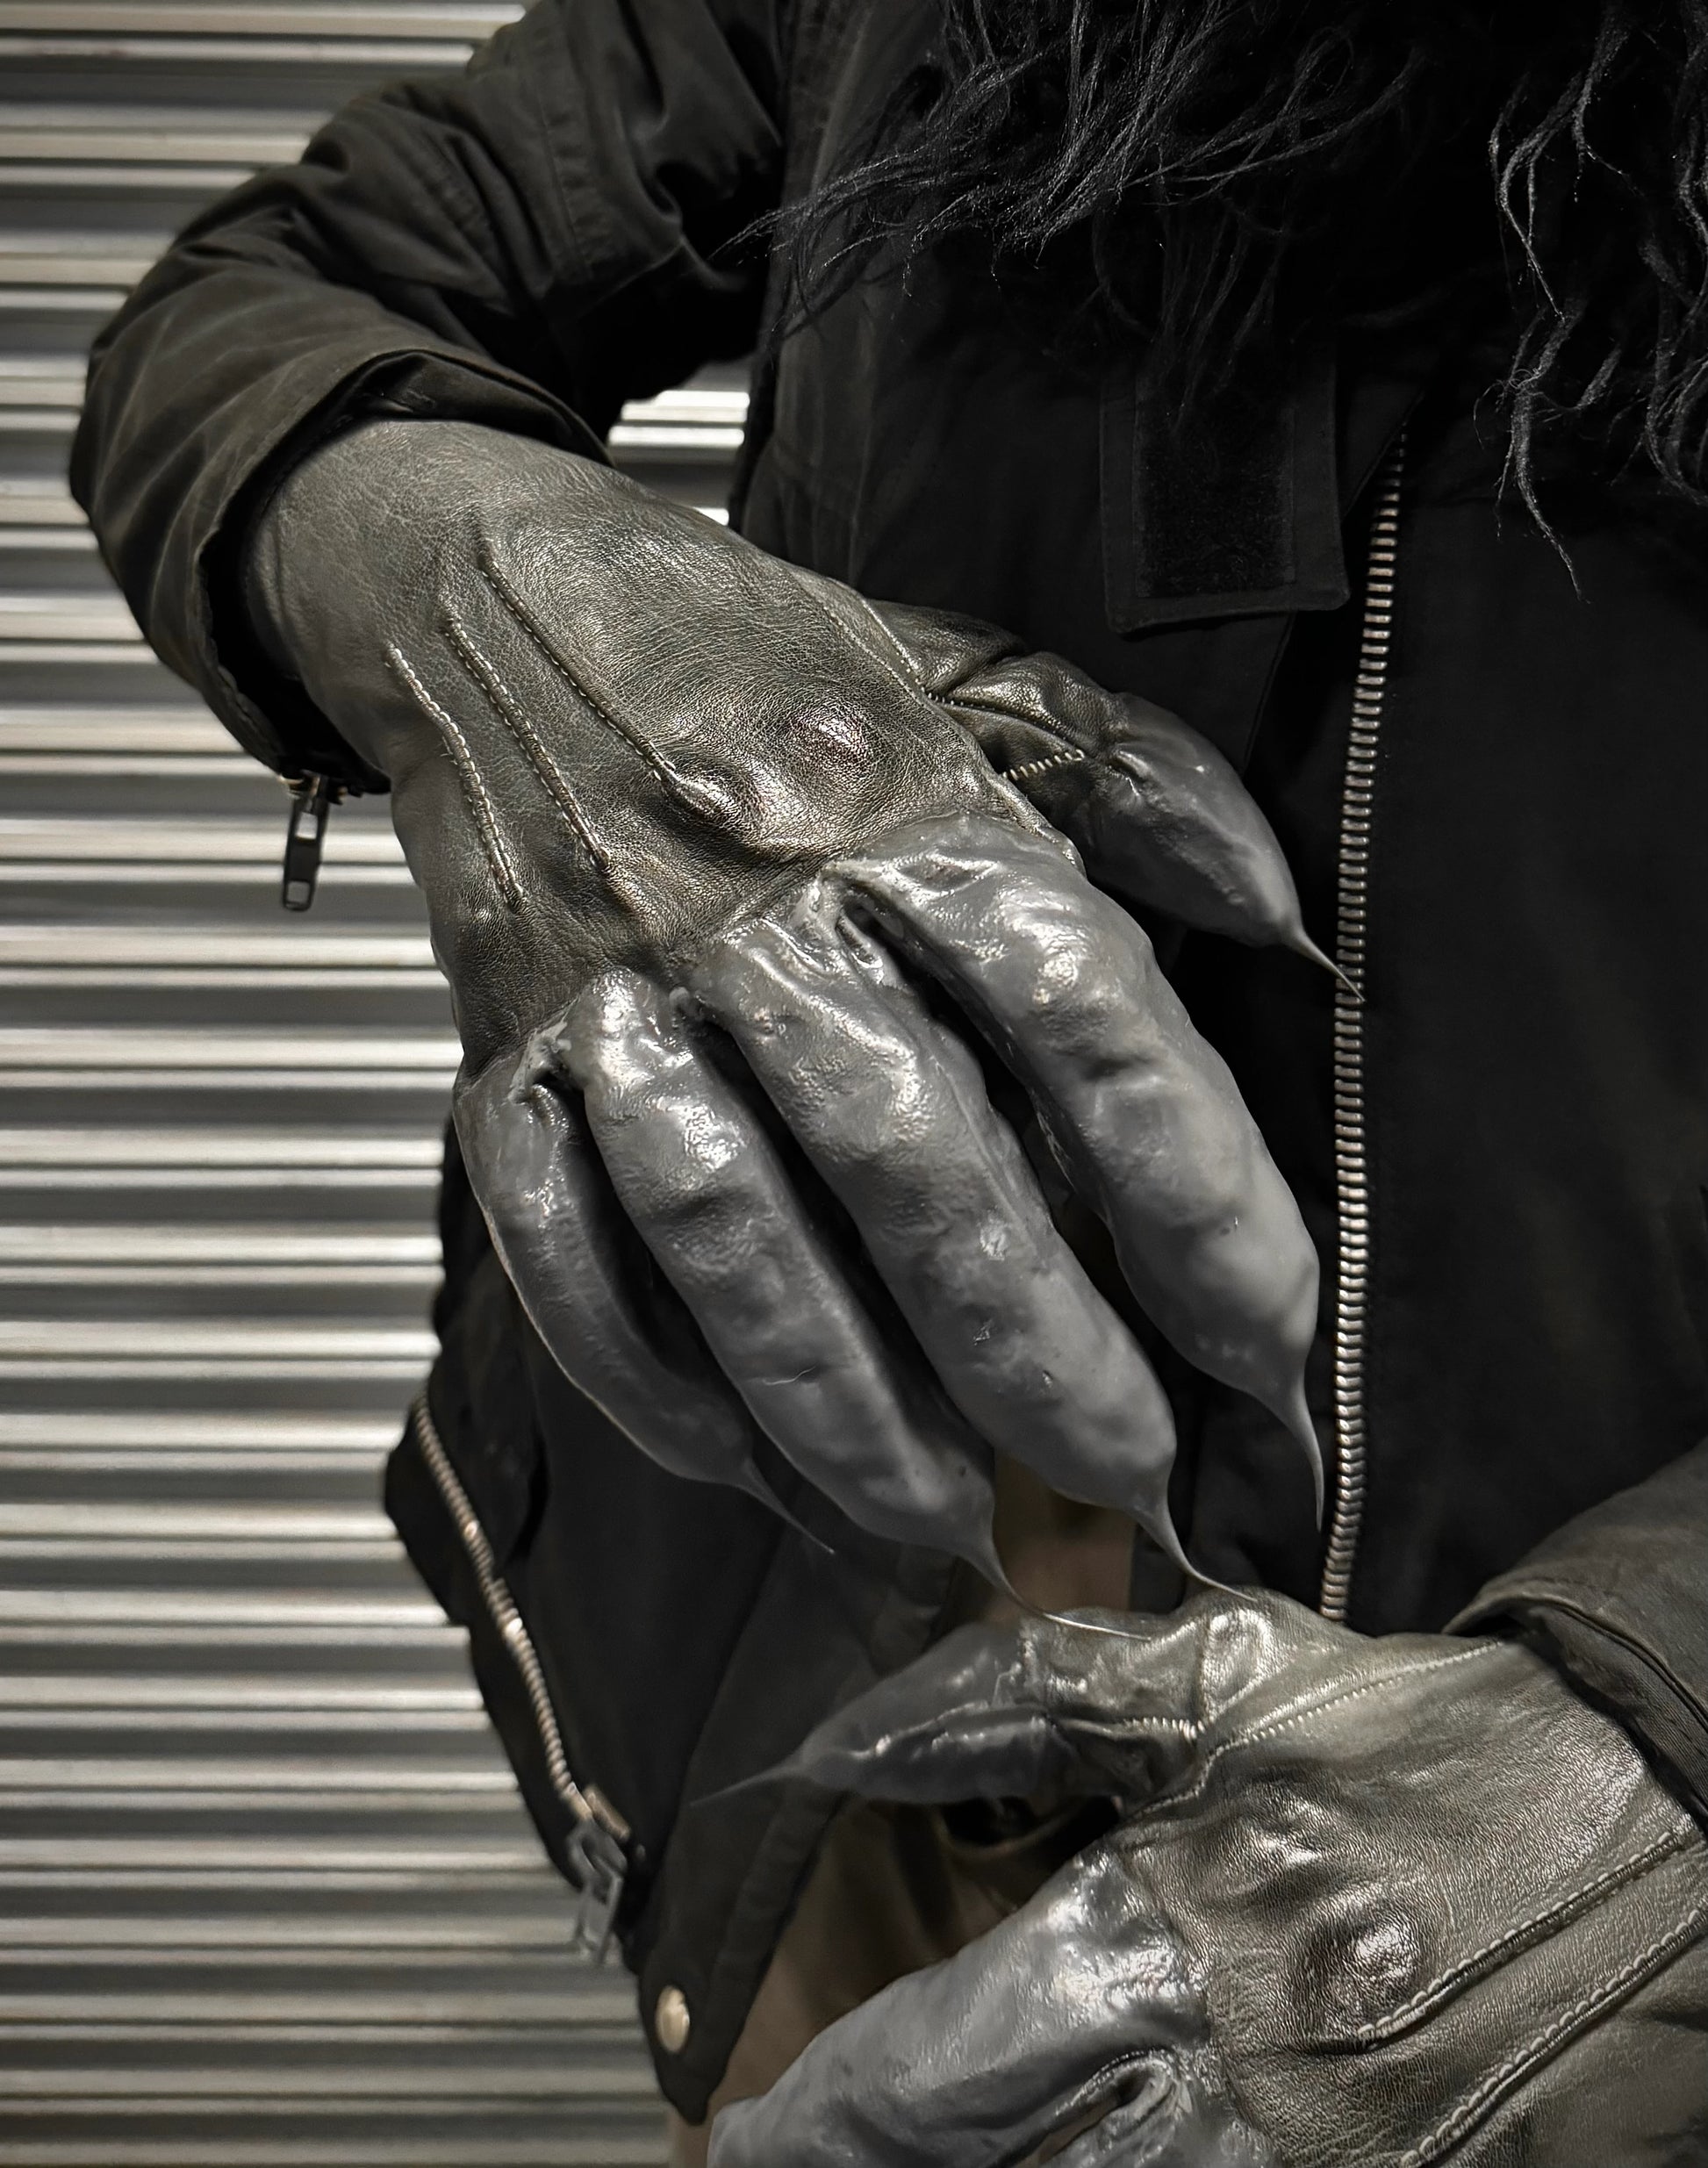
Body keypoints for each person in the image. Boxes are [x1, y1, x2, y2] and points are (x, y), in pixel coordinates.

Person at [71, 2, 1708, 2159]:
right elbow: (271, 291)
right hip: (852, 1642)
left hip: (1576, 1758)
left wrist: (1665, 1724)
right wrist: (481, 585)